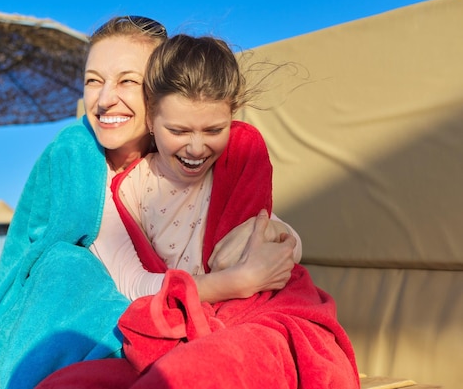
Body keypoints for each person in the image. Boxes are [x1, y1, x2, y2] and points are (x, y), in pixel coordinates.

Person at [0, 17, 299, 389]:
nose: (104, 98)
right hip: (73, 306)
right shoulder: (84, 161)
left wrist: (276, 236)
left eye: (127, 81)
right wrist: (232, 282)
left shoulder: (182, 155)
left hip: (168, 296)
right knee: (69, 265)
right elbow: (115, 280)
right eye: (93, 81)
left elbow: (249, 215)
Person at [37, 34, 359, 388]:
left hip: (259, 321)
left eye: (214, 130)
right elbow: (131, 283)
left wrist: (278, 241)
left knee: (191, 374)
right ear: (151, 120)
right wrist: (237, 281)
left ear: (231, 117)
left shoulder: (235, 162)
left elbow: (275, 234)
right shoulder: (126, 192)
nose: (196, 147)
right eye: (177, 130)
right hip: (177, 328)